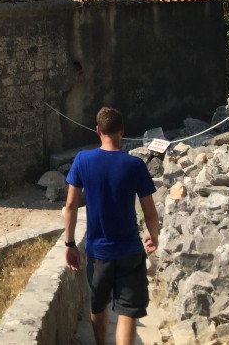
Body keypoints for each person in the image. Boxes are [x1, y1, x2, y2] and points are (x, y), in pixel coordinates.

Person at [64, 107, 159, 345]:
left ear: (98, 131)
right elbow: (150, 213)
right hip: (130, 250)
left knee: (98, 305)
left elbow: (71, 204)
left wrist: (70, 243)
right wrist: (153, 236)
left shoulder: (82, 160)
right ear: (122, 131)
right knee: (127, 312)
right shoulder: (135, 165)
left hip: (98, 253)